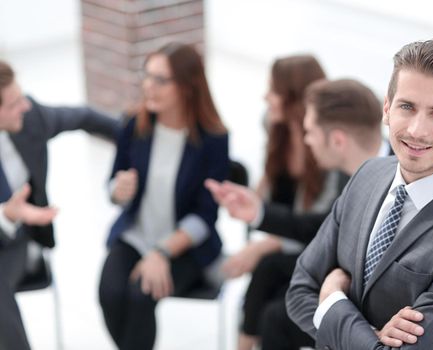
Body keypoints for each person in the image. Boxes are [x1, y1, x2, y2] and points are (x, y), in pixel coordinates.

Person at [285, 38, 433, 350]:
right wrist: (371, 339)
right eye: (407, 107)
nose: (417, 130)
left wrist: (332, 301)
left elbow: (318, 297)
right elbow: (299, 291)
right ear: (387, 108)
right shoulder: (368, 175)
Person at [207, 78, 388, 349]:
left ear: (338, 140)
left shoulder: (392, 183)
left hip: (371, 305)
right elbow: (320, 225)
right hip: (337, 276)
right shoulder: (349, 170)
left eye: (310, 131)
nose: (306, 140)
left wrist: (333, 285)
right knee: (271, 275)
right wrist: (259, 211)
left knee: (276, 317)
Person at [98, 42, 229, 350]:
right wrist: (118, 191)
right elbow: (112, 185)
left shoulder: (214, 140)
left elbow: (206, 215)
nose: (148, 86)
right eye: (147, 76)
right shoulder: (133, 124)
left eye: (160, 80)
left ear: (187, 87)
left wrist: (161, 253)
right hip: (135, 235)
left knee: (140, 296)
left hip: (183, 245)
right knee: (109, 293)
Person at [216, 55, 336, 350]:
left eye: (273, 90)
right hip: (288, 240)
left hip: (319, 249)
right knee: (266, 285)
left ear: (295, 98)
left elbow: (321, 227)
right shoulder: (274, 125)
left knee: (268, 281)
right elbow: (268, 185)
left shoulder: (329, 144)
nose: (265, 97)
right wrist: (247, 201)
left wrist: (263, 243)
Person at [0, 59, 119, 349]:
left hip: (14, 241)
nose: (24, 107)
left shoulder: (32, 120)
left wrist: (137, 139)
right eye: (14, 103)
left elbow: (84, 117)